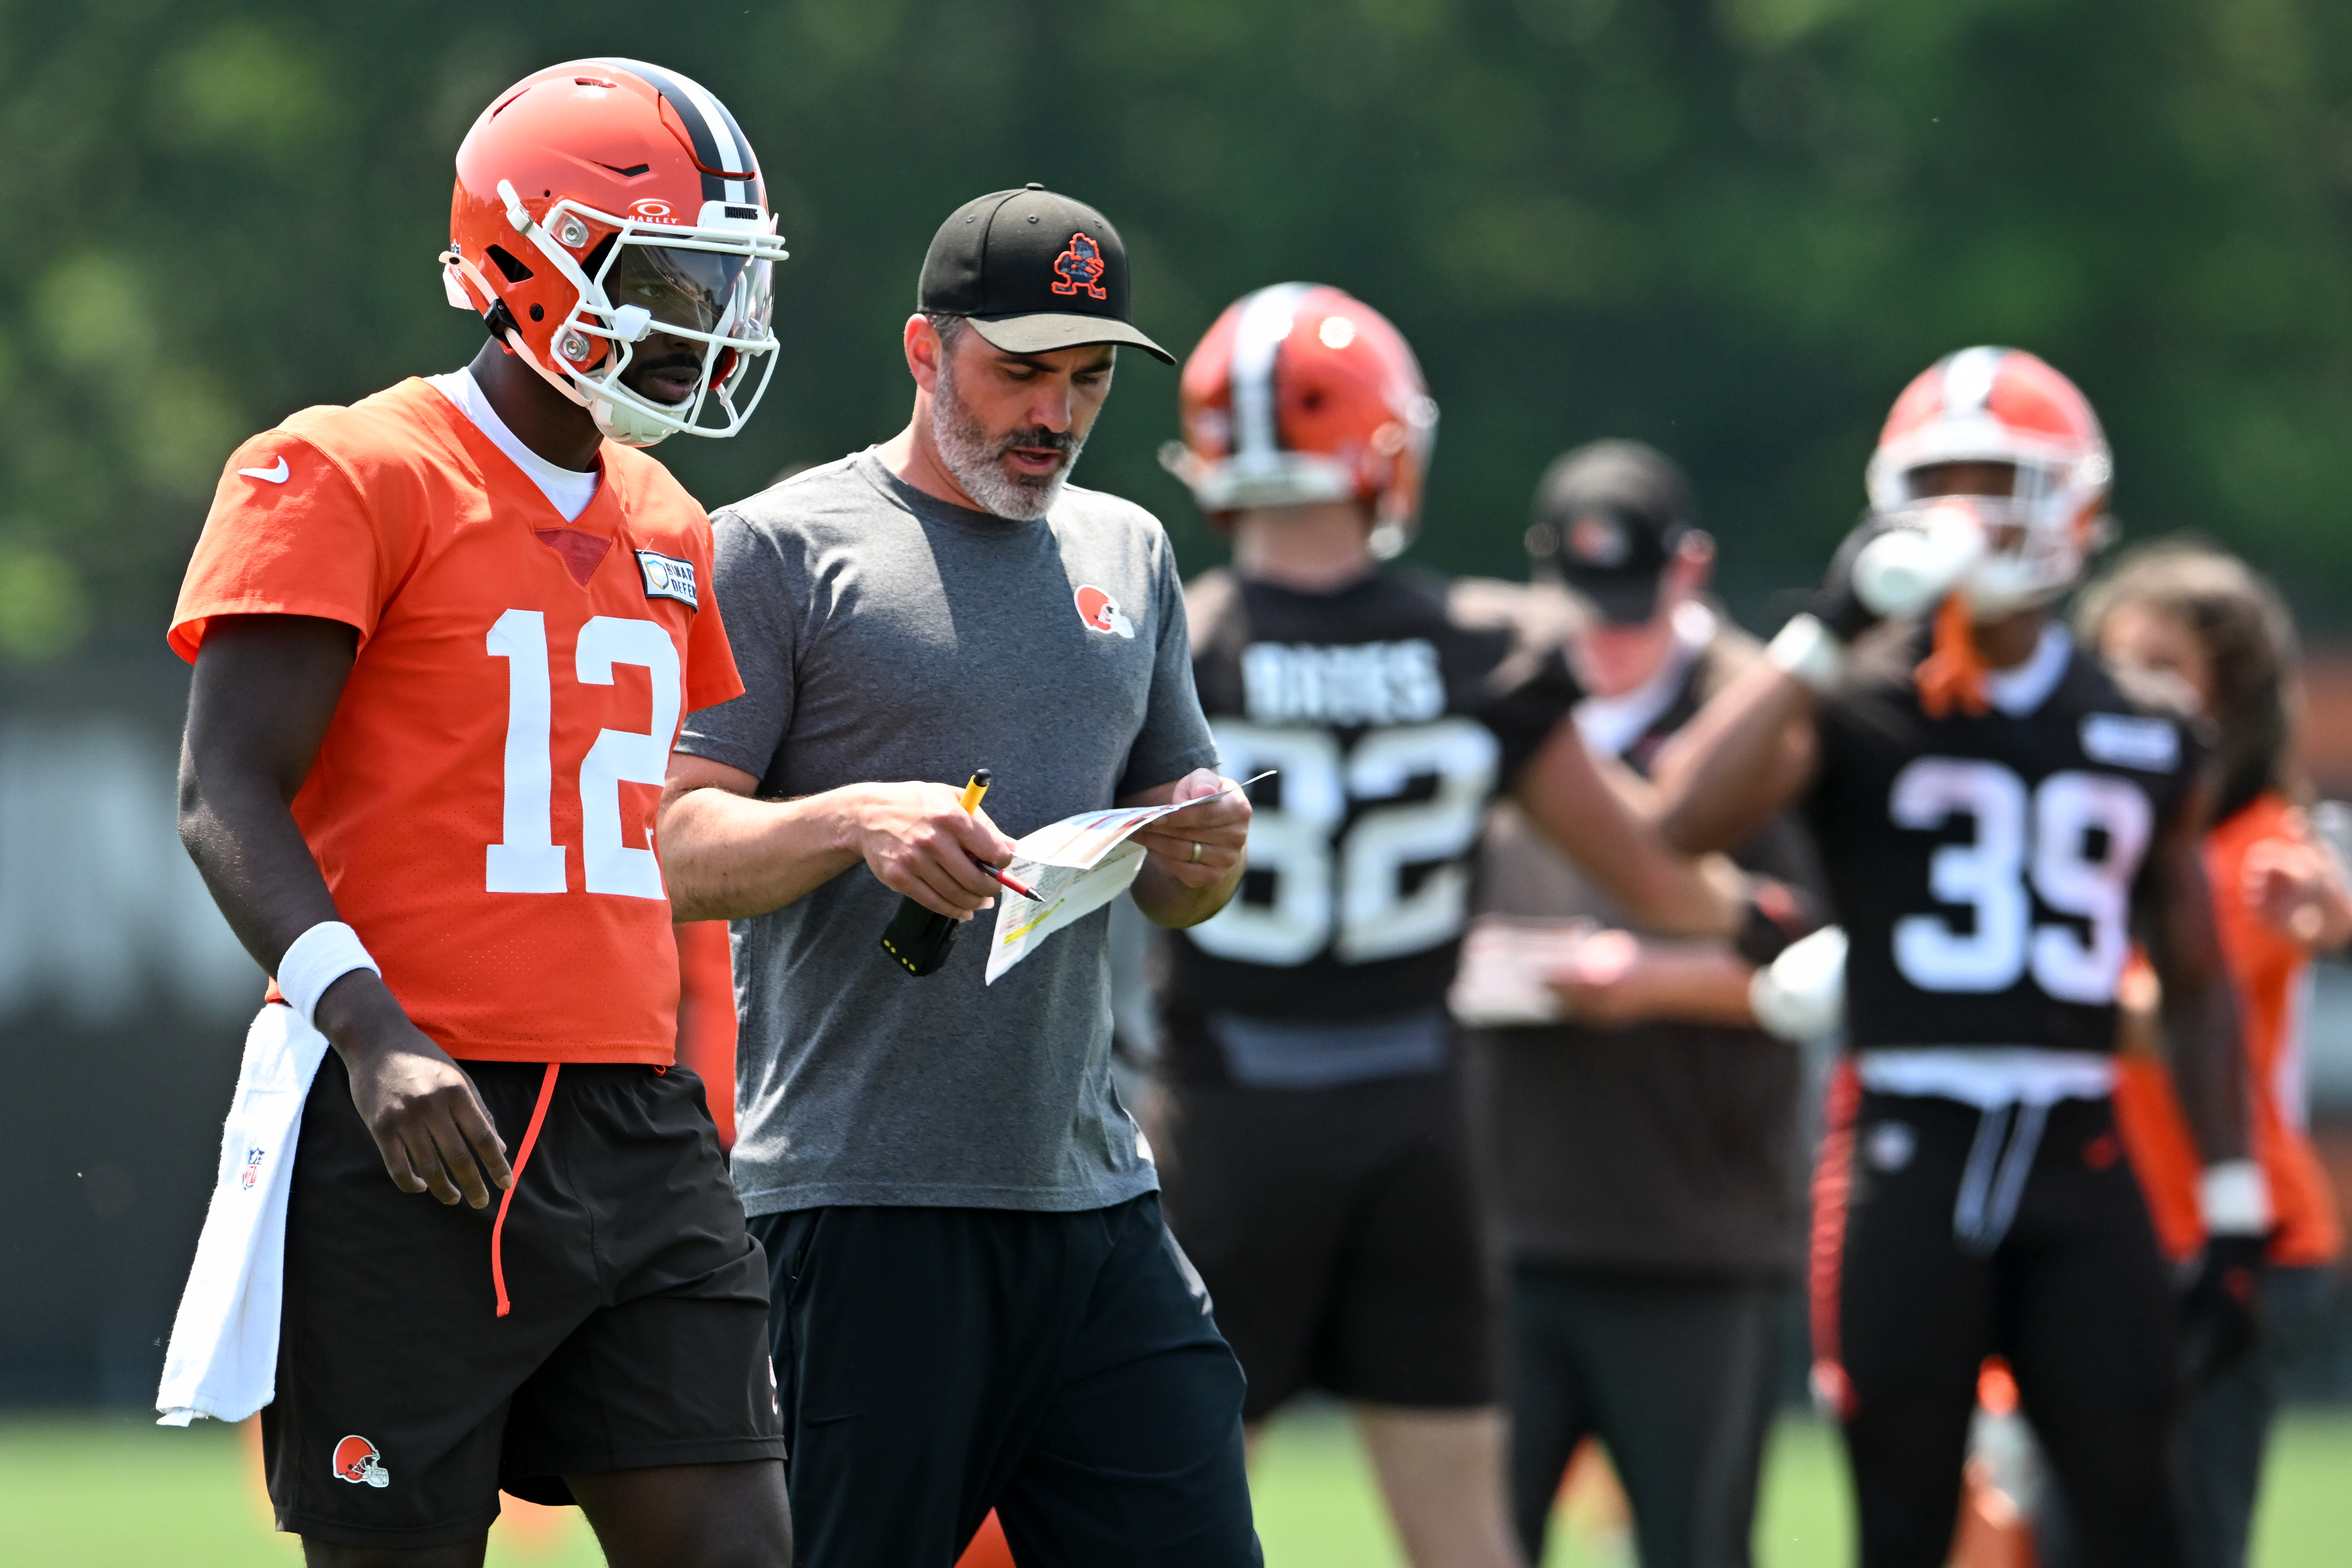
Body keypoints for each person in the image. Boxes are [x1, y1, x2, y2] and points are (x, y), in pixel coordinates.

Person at [168, 61, 792, 1565]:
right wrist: (371, 1034)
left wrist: (697, 1098)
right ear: (525, 256)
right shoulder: (350, 465)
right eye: (668, 270)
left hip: (634, 1120)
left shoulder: (665, 519)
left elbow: (643, 849)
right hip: (416, 1110)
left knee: (740, 1545)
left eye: (726, 277)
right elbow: (220, 790)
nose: (705, 313)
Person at [657, 187, 1261, 1568]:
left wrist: (1204, 847)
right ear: (926, 351)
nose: (1056, 411)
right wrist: (856, 819)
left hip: (1096, 1198)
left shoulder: (1132, 550)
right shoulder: (774, 545)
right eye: (1022, 369)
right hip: (863, 1204)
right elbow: (674, 850)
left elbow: (1180, 883)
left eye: (1090, 377)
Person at [1149, 285, 1779, 1568]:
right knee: (1466, 1537)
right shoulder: (1483, 644)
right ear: (1385, 448)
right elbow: (1655, 871)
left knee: (1177, 1519)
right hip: (1416, 1121)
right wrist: (1762, 919)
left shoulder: (1169, 637)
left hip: (1226, 1122)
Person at [1652, 346, 2261, 1568]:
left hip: (2081, 1145)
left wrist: (2233, 1195)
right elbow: (1678, 819)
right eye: (1948, 482)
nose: (1976, 514)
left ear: (2074, 502)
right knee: (1904, 1511)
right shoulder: (1855, 696)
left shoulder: (2144, 724)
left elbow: (2193, 972)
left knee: (2139, 1502)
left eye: (2005, 480)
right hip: (1904, 1142)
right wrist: (1823, 630)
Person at [1462, 441, 1818, 1568]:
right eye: (1582, 604)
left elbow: (1815, 953)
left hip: (1693, 1228)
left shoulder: (1755, 722)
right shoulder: (1502, 692)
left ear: (1690, 570)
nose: (1605, 638)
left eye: (1630, 604)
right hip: (1501, 1219)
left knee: (1694, 1544)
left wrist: (1645, 979)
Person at [2069, 543, 2346, 1568]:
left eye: (2161, 665)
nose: (2129, 690)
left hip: (2229, 1242)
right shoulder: (2096, 838)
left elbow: (2178, 1002)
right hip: (2102, 1233)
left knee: (2188, 1538)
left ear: (2226, 698)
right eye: (2112, 662)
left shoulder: (2255, 848)